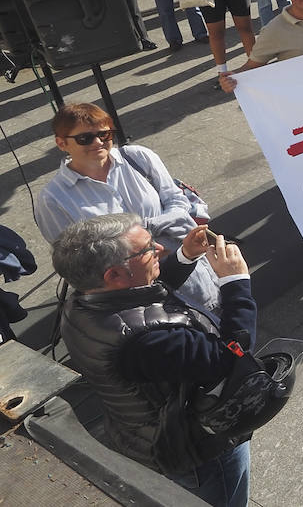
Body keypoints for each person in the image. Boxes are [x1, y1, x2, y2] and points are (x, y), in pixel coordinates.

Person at [51, 213, 253, 505]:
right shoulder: (146, 343)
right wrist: (236, 281)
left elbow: (142, 300)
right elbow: (234, 356)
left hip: (142, 433)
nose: (160, 249)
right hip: (199, 449)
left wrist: (185, 256)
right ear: (114, 275)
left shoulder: (83, 302)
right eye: (147, 249)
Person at [35, 100, 219, 310]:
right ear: (62, 143)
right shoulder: (53, 199)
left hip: (185, 263)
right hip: (132, 293)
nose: (98, 143)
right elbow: (73, 261)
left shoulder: (137, 157)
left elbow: (176, 201)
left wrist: (144, 231)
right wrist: (141, 239)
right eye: (84, 138)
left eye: (104, 134)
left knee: (213, 316)